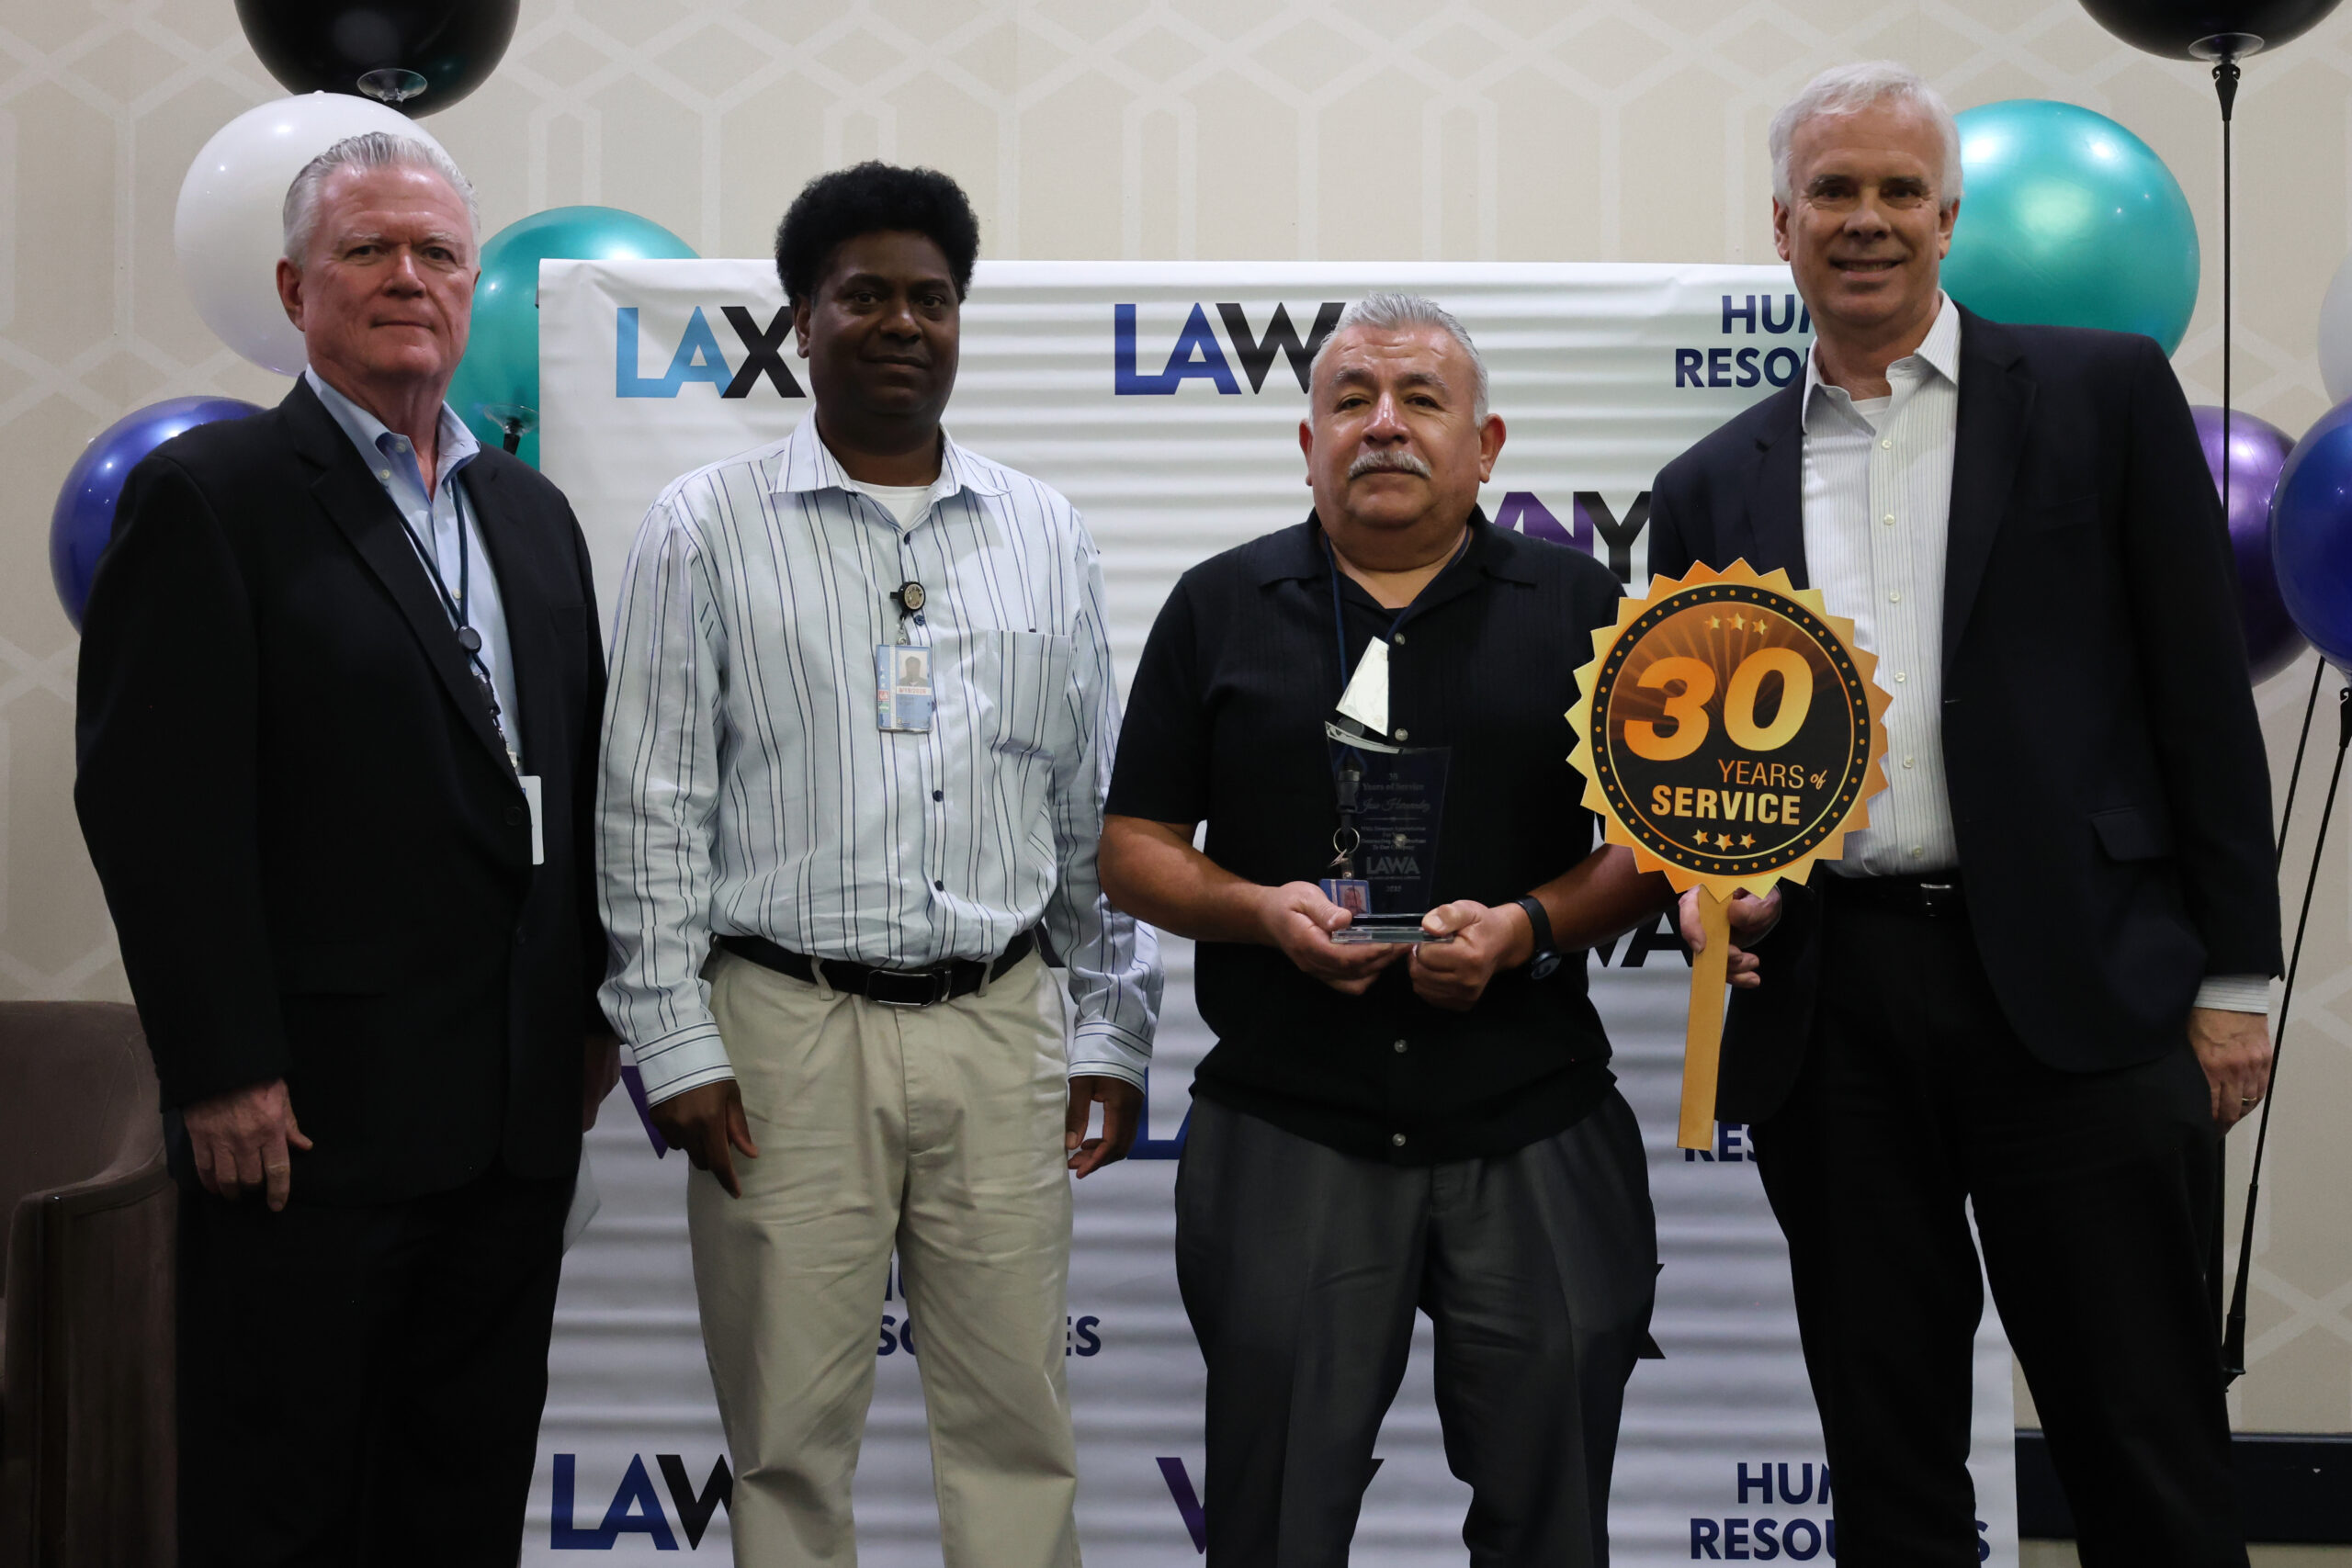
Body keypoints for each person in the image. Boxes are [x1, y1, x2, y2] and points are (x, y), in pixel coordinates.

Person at [1649, 62, 2281, 1568]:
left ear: (1948, 218)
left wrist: (2237, 983)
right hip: (1832, 1009)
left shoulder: (2105, 396)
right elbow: (1697, 780)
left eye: (1898, 191)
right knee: (1889, 1451)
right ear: (1783, 225)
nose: (1865, 219)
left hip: (2085, 989)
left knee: (2143, 1435)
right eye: (1832, 192)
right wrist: (1711, 887)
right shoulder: (1708, 484)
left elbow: (2203, 699)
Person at [598, 161, 1161, 1568]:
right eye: (865, 296)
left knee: (1019, 1432)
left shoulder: (1044, 531)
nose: (903, 322)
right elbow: (651, 803)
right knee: (787, 1444)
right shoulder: (706, 525)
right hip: (782, 1037)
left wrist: (1110, 1021)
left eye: (932, 297)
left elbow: (1087, 804)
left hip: (1002, 1030)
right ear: (802, 322)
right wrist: (674, 1041)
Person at [74, 132, 616, 1564]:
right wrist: (220, 1066)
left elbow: (572, 783)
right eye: (366, 249)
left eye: (438, 253)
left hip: (509, 1123)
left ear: (471, 286)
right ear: (293, 289)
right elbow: (155, 807)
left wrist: (590, 1015)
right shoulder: (215, 497)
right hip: (305, 1129)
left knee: (461, 1505)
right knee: (285, 1513)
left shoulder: (534, 515)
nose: (407, 277)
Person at [1101, 293, 1683, 1567]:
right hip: (1290, 1119)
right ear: (1307, 441)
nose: (1384, 425)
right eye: (1352, 400)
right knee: (1274, 1521)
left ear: (1487, 445)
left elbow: (1663, 840)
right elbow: (1132, 846)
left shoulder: (1585, 604)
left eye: (1422, 399)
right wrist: (1260, 912)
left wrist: (1528, 927)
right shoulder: (1218, 605)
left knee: (1553, 1516)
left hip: (1531, 1111)